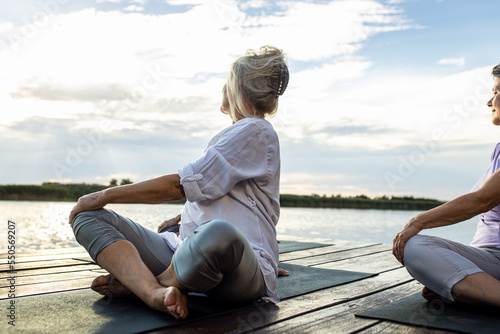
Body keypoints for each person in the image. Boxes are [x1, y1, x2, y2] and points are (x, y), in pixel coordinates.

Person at [69, 45, 289, 320]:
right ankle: (154, 292)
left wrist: (106, 195)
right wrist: (182, 218)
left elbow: (181, 186)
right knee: (87, 217)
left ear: (237, 86)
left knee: (219, 233)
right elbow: (229, 197)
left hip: (232, 272)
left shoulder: (256, 129)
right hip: (184, 254)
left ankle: (140, 284)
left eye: (227, 81)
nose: (222, 88)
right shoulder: (237, 134)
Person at [392, 63, 500, 308]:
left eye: (496, 92)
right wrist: (455, 277)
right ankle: (477, 292)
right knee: (419, 249)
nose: (489, 101)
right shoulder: (498, 150)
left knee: (416, 244)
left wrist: (417, 221)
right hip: (491, 260)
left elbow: (482, 200)